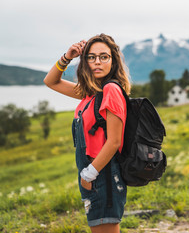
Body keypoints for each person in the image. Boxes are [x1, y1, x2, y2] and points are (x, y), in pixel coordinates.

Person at [44, 33, 131, 233]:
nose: (97, 62)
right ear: (85, 62)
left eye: (104, 56)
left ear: (113, 60)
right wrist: (67, 57)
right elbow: (51, 81)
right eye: (91, 57)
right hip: (94, 174)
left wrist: (89, 175)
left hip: (103, 174)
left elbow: (114, 141)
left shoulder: (111, 90)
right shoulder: (91, 93)